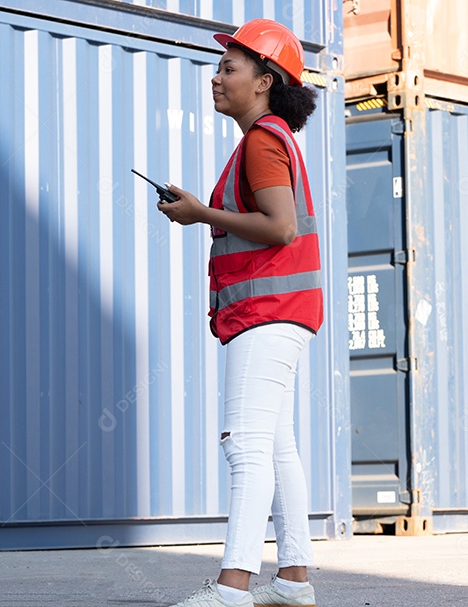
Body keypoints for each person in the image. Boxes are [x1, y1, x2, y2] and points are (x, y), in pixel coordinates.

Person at [158, 18, 323, 607]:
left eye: (230, 67)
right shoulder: (273, 138)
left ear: (265, 80)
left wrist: (201, 215)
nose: (216, 77)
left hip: (266, 310)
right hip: (284, 311)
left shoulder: (261, 141)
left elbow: (278, 228)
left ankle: (232, 588)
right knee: (278, 446)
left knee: (245, 445)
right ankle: (294, 580)